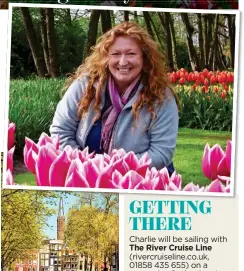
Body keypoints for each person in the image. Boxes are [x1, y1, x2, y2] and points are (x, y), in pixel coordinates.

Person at [50, 22, 179, 172]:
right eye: (116, 54)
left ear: (145, 59)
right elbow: (60, 132)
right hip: (85, 173)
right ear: (105, 58)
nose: (123, 62)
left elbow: (161, 153)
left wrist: (111, 169)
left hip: (143, 178)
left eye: (131, 54)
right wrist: (85, 166)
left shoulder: (161, 97)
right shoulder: (85, 86)